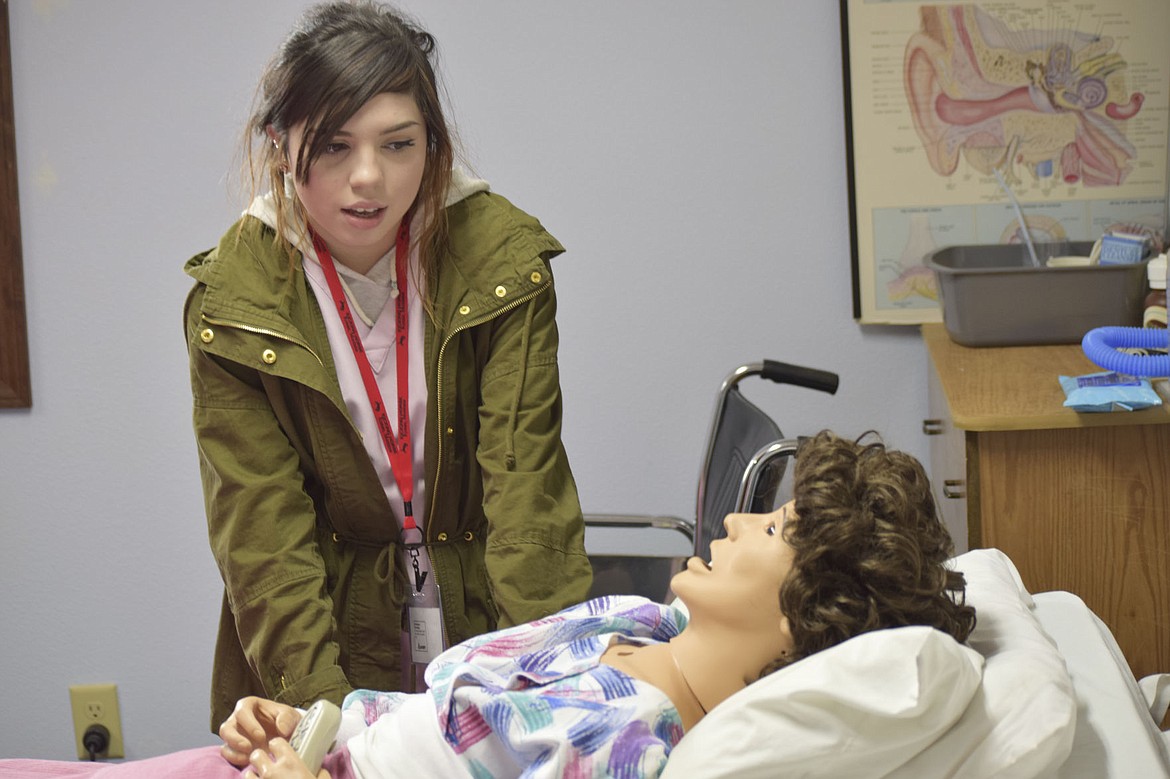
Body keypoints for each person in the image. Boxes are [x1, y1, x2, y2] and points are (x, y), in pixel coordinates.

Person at [0, 431, 976, 778]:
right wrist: (301, 719)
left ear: (808, 617)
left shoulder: (637, 747)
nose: (735, 519)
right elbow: (430, 722)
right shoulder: (646, 626)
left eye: (777, 529)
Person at [182, 0, 592, 731]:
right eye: (334, 146)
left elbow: (528, 491)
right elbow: (264, 538)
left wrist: (552, 694)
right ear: (281, 144)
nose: (368, 177)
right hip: (321, 637)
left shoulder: (503, 263)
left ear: (433, 145)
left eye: (398, 144)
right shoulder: (232, 303)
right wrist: (323, 722)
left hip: (482, 629)